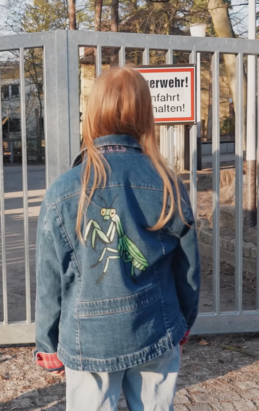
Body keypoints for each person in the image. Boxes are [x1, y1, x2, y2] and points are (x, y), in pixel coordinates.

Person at [34, 66, 200, 411]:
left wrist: (47, 343)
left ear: (93, 114)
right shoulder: (167, 183)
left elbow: (50, 277)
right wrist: (183, 322)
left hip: (89, 337)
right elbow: (188, 269)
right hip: (155, 326)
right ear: (145, 115)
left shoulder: (63, 190)